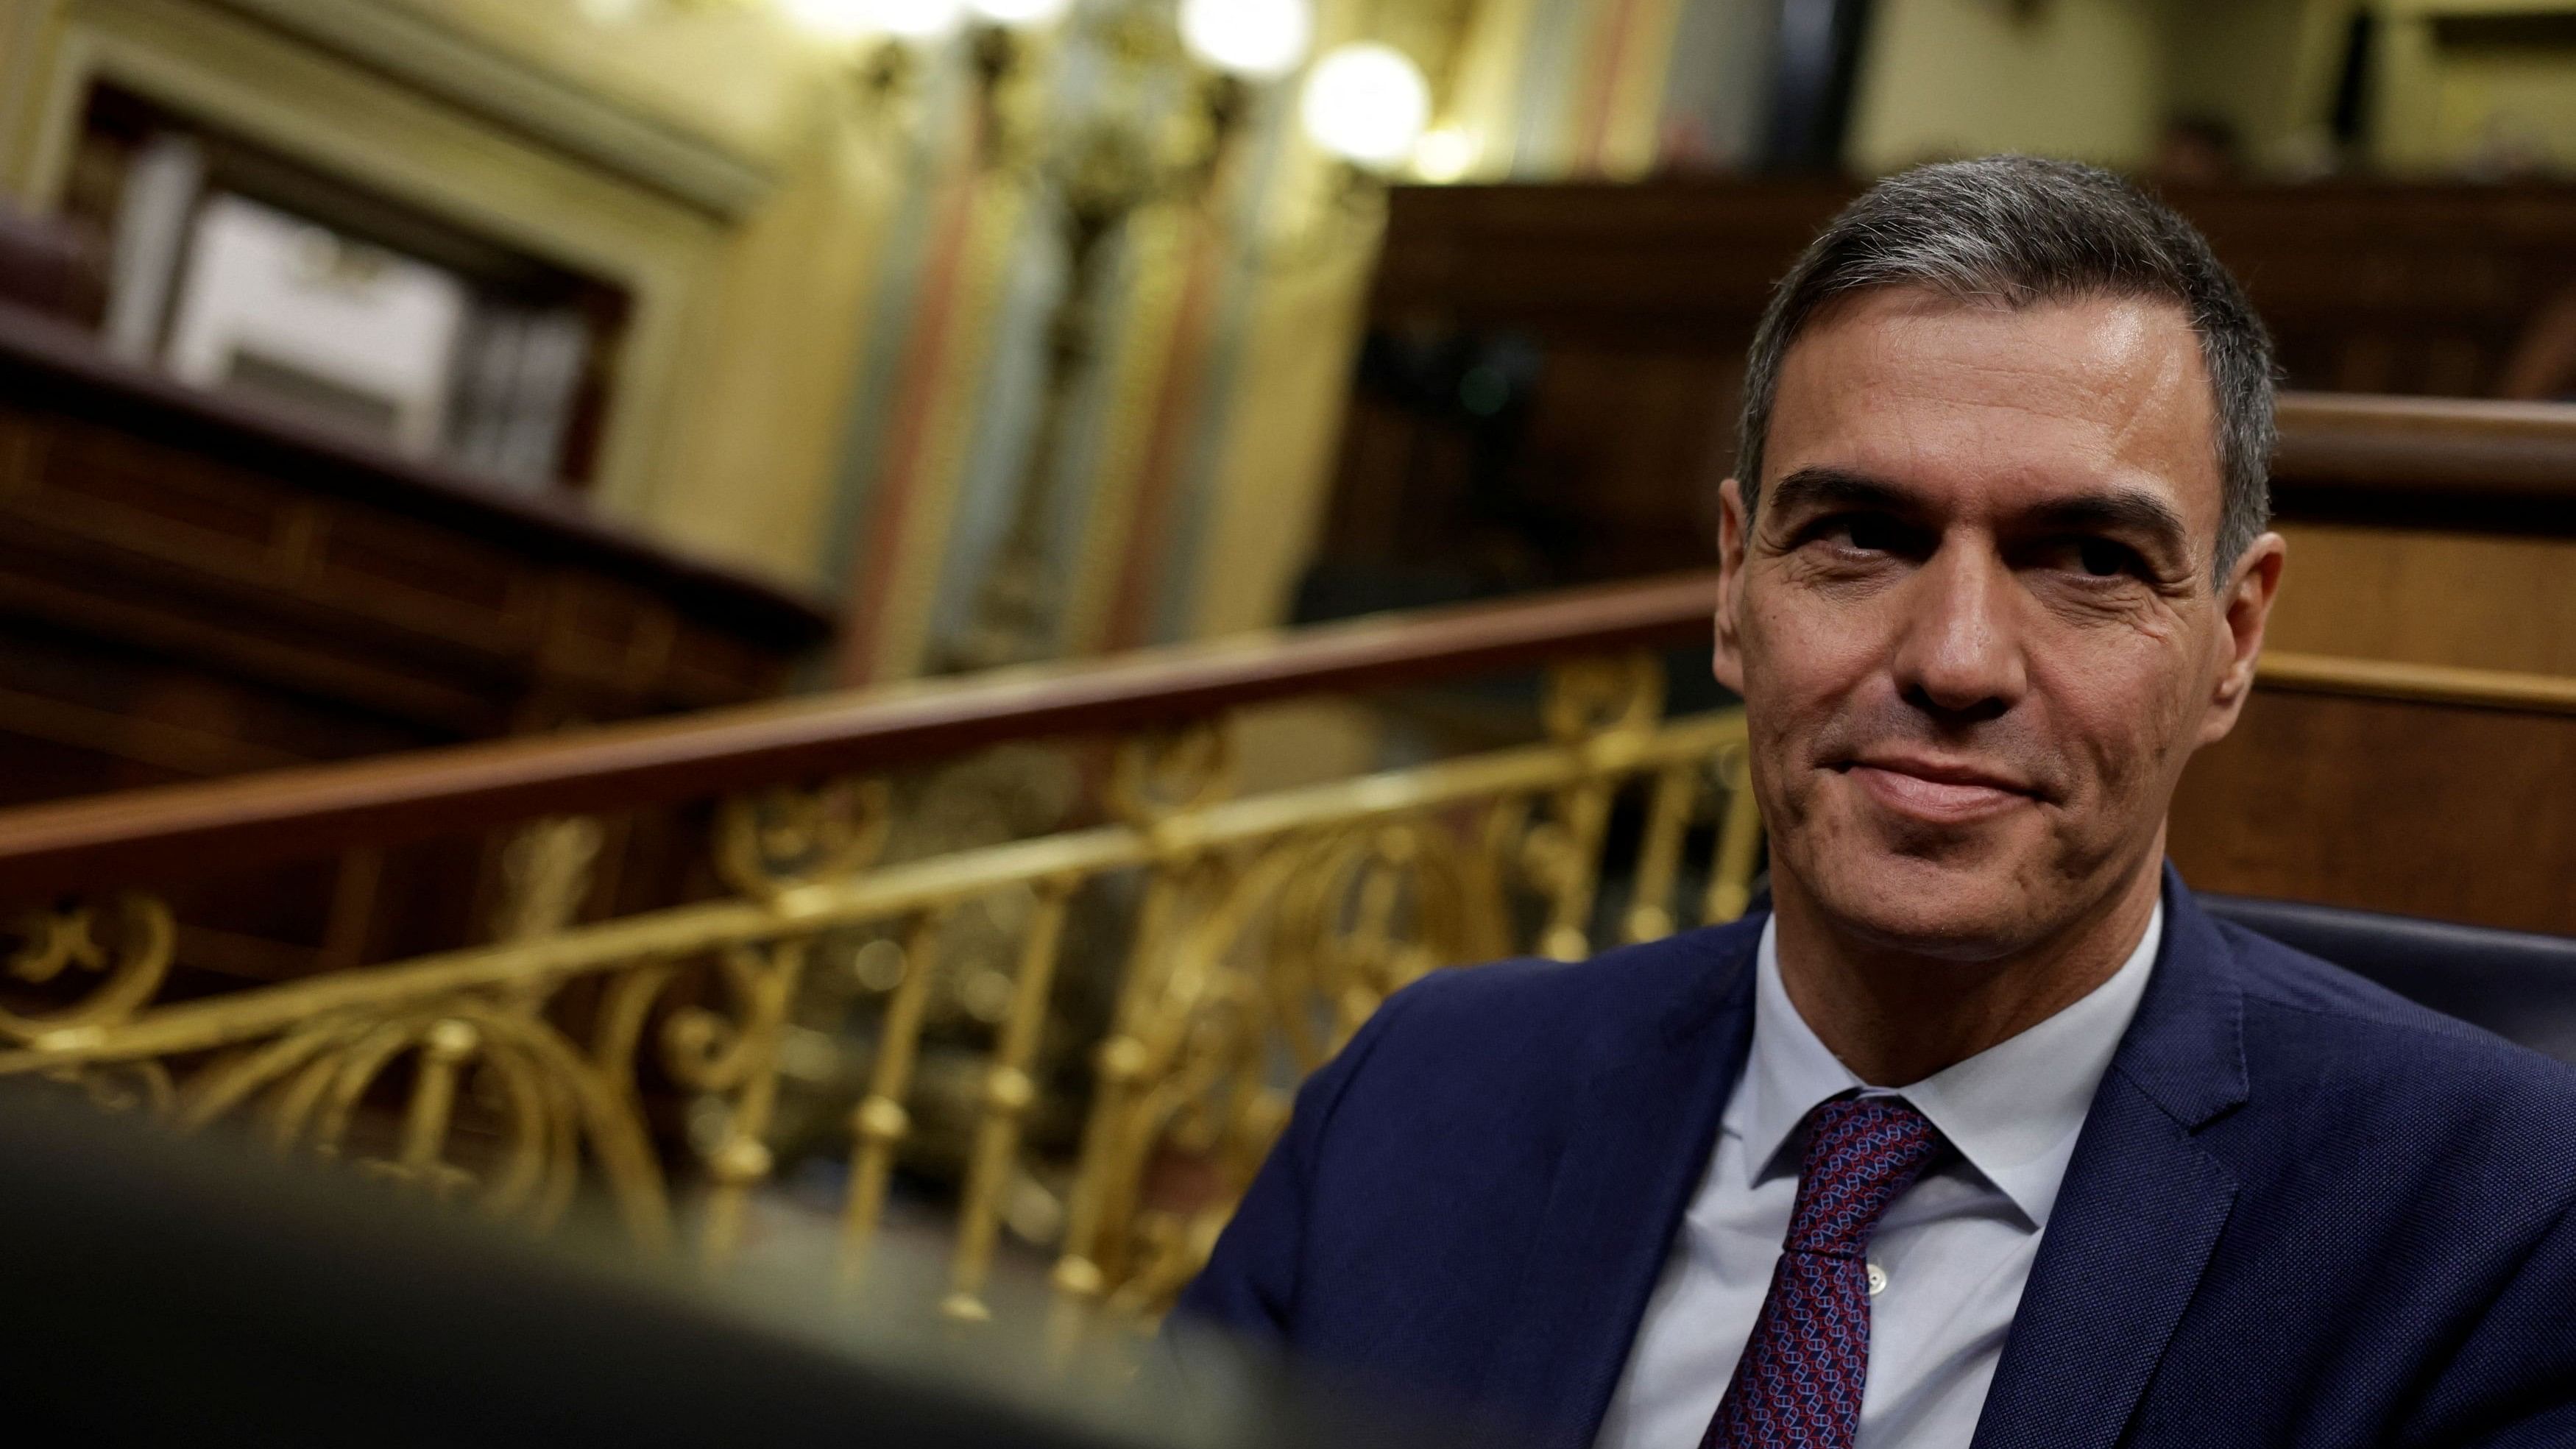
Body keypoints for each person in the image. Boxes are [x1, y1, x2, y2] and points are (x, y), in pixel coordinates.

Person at [1173, 157, 2576, 1449]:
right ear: (1735, 588)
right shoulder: (1422, 1094)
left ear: (2235, 638)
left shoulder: (2498, 1229)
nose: (1955, 659)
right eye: (1859, 535)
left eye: (2088, 557)